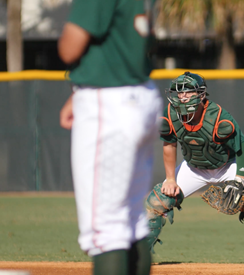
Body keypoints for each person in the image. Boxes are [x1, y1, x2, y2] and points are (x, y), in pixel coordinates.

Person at [144, 72, 244, 266]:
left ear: (201, 94)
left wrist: (239, 179)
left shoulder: (218, 118)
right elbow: (169, 145)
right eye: (179, 93)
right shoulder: (171, 114)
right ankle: (141, 256)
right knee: (157, 200)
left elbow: (242, 148)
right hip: (194, 168)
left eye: (188, 92)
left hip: (228, 164)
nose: (182, 97)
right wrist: (170, 179)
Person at [58, 0, 161, 274]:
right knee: (132, 219)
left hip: (110, 103)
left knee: (106, 228)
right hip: (141, 94)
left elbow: (70, 48)